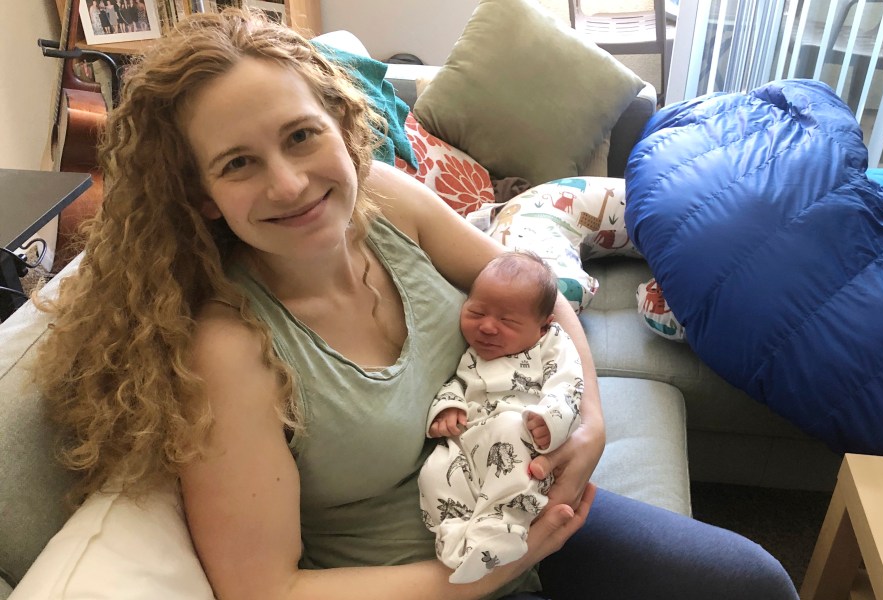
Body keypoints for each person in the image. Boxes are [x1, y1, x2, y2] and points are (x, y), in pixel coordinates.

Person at [36, 8, 800, 600]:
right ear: (202, 197)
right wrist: (495, 571)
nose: (290, 183)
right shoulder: (231, 349)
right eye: (240, 163)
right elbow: (265, 589)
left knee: (751, 583)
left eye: (301, 136)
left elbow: (529, 282)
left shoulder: (387, 201)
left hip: (524, 502)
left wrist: (593, 421)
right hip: (422, 578)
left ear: (343, 128)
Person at [420, 251, 584, 584]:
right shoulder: (471, 354)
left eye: (508, 322)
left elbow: (568, 384)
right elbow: (457, 384)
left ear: (542, 327)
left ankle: (501, 527)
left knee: (511, 429)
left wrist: (548, 419)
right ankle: (455, 539)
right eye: (476, 312)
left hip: (522, 440)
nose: (487, 327)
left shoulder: (551, 344)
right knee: (434, 469)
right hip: (469, 440)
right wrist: (449, 407)